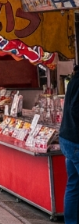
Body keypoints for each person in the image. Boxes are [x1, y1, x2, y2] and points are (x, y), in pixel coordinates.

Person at [61, 65, 79, 224]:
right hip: (75, 140)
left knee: (73, 184)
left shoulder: (74, 79)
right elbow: (76, 109)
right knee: (73, 184)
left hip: (68, 138)